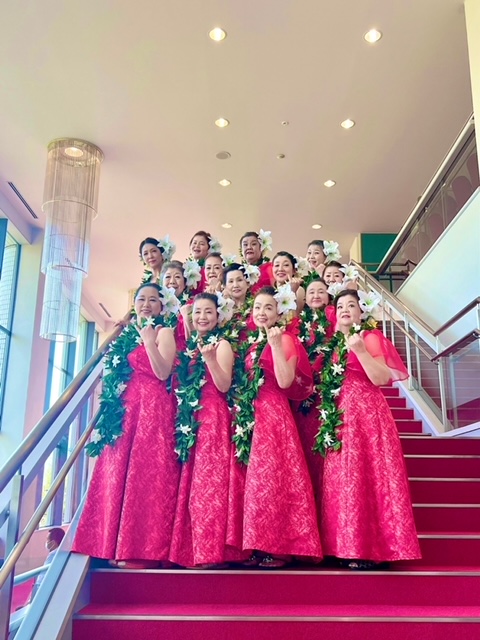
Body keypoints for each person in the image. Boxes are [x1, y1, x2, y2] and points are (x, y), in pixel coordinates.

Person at [73, 283, 179, 568]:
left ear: (161, 306)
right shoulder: (127, 333)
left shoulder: (164, 332)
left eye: (153, 300)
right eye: (141, 299)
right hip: (126, 408)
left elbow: (163, 372)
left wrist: (148, 341)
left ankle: (142, 551)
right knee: (117, 470)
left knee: (145, 475)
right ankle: (109, 544)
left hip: (153, 409)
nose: (146, 304)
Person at [319, 289, 421, 569]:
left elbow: (381, 377)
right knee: (345, 479)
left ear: (361, 312)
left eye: (351, 305)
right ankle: (344, 545)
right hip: (340, 417)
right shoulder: (333, 344)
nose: (345, 309)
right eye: (340, 305)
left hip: (367, 415)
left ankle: (370, 549)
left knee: (367, 476)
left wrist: (360, 350)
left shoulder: (369, 337)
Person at [227, 287, 322, 568]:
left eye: (268, 307)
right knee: (255, 484)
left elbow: (284, 381)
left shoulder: (286, 339)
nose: (261, 312)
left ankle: (278, 546)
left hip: (274, 416)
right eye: (257, 307)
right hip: (250, 417)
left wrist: (277, 345)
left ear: (279, 313)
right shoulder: (250, 343)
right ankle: (256, 545)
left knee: (273, 481)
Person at [169, 293, 239, 568]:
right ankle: (191, 548)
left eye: (208, 312)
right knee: (191, 483)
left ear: (218, 316)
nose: (202, 317)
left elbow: (223, 385)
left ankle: (211, 549)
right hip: (190, 417)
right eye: (197, 312)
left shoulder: (222, 344)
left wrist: (210, 359)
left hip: (212, 417)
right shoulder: (189, 345)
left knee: (210, 484)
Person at [294, 277, 335, 520]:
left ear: (329, 296)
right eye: (311, 292)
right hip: (303, 396)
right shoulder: (298, 322)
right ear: (305, 297)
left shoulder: (333, 317)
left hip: (327, 393)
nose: (316, 295)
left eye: (321, 291)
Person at [30, 528, 65, 600]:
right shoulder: (63, 552)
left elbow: (42, 578)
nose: (46, 542)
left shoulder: (53, 555)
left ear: (53, 543)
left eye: (47, 540)